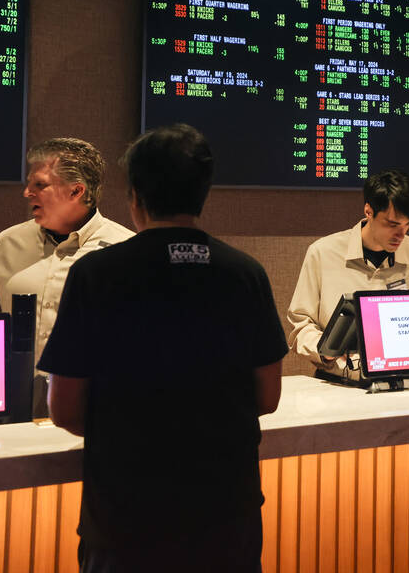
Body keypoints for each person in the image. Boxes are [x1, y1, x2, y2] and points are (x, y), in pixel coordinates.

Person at [39, 124, 287, 573]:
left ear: (135, 195)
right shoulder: (245, 274)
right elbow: (267, 397)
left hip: (124, 518)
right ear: (203, 193)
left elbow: (65, 409)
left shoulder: (96, 274)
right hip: (227, 517)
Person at [0, 138, 132, 414]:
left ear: (76, 191)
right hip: (12, 417)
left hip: (94, 416)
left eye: (40, 185)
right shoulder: (8, 242)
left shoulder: (124, 251)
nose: (27, 192)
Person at [286, 168, 409, 374]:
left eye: (407, 225)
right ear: (369, 211)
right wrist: (325, 350)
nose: (400, 235)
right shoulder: (322, 253)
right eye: (392, 224)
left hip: (405, 382)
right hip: (338, 384)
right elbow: (300, 324)